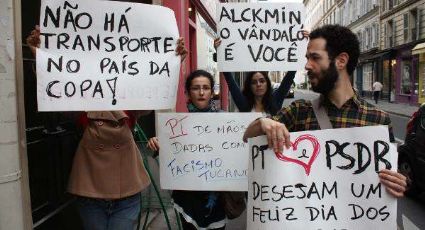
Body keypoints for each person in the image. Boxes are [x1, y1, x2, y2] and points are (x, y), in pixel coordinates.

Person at [27, 25, 187, 230]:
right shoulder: (81, 99)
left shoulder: (132, 99)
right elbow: (57, 89)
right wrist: (39, 53)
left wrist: (172, 60)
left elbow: (154, 90)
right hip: (91, 192)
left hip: (127, 193)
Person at [242, 25, 407, 198]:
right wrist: (263, 123)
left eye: (314, 57)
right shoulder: (299, 111)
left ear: (341, 61)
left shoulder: (379, 120)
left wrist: (397, 184)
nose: (307, 65)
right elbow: (247, 136)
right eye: (307, 58)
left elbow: (388, 179)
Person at [147, 70, 226, 230]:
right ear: (188, 93)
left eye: (206, 87)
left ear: (212, 91)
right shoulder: (176, 124)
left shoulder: (225, 121)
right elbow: (167, 152)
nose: (201, 92)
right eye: (196, 88)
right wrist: (156, 143)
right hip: (187, 198)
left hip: (216, 198)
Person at [213, 39, 296, 116]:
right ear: (249, 86)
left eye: (262, 81)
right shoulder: (243, 103)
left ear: (267, 83)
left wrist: (301, 45)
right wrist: (220, 51)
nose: (258, 84)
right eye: (254, 82)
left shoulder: (275, 100)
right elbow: (230, 80)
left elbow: (288, 78)